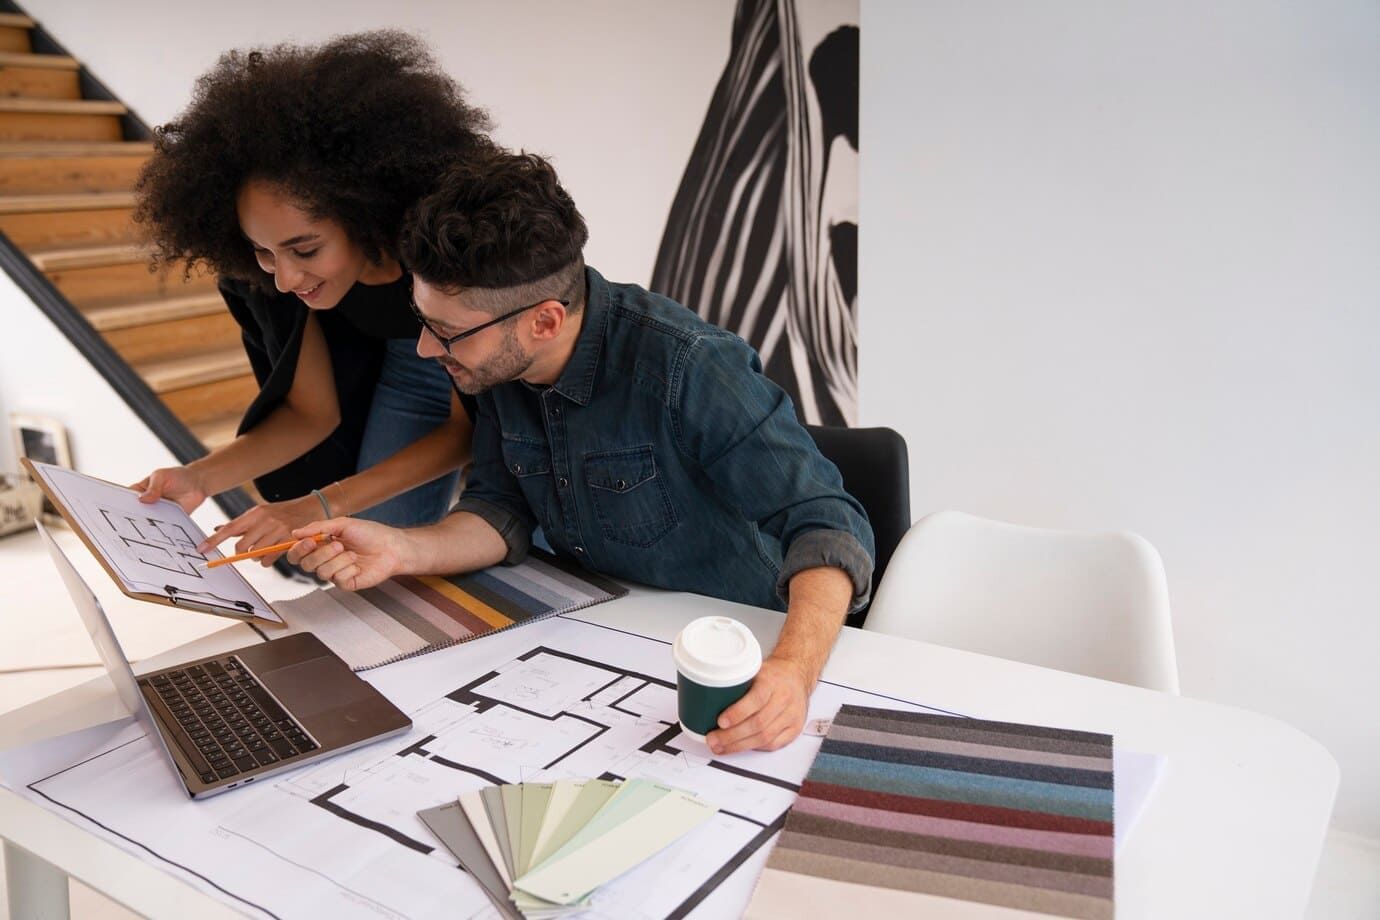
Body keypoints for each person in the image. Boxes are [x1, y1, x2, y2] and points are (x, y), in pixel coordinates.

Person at [288, 152, 875, 755]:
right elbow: (500, 508)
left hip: (728, 651)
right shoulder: (493, 364)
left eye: (449, 331)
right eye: (423, 317)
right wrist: (403, 547)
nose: (423, 348)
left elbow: (828, 524)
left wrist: (794, 672)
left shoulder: (689, 365)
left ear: (544, 320)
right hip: (599, 635)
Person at [130, 32, 495, 563]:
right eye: (263, 251)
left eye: (305, 249)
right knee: (375, 549)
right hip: (405, 361)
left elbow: (469, 431)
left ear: (366, 213)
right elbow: (309, 414)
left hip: (491, 361)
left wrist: (319, 505)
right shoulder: (280, 279)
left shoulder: (448, 258)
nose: (284, 278)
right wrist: (197, 476)